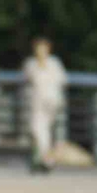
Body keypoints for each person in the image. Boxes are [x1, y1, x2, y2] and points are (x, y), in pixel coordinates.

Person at [23, 36, 68, 173]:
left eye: (43, 49)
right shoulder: (31, 64)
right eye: (38, 49)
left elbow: (62, 80)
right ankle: (46, 160)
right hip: (36, 103)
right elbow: (28, 79)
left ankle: (44, 160)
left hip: (51, 102)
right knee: (38, 130)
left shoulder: (54, 63)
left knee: (42, 131)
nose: (41, 51)